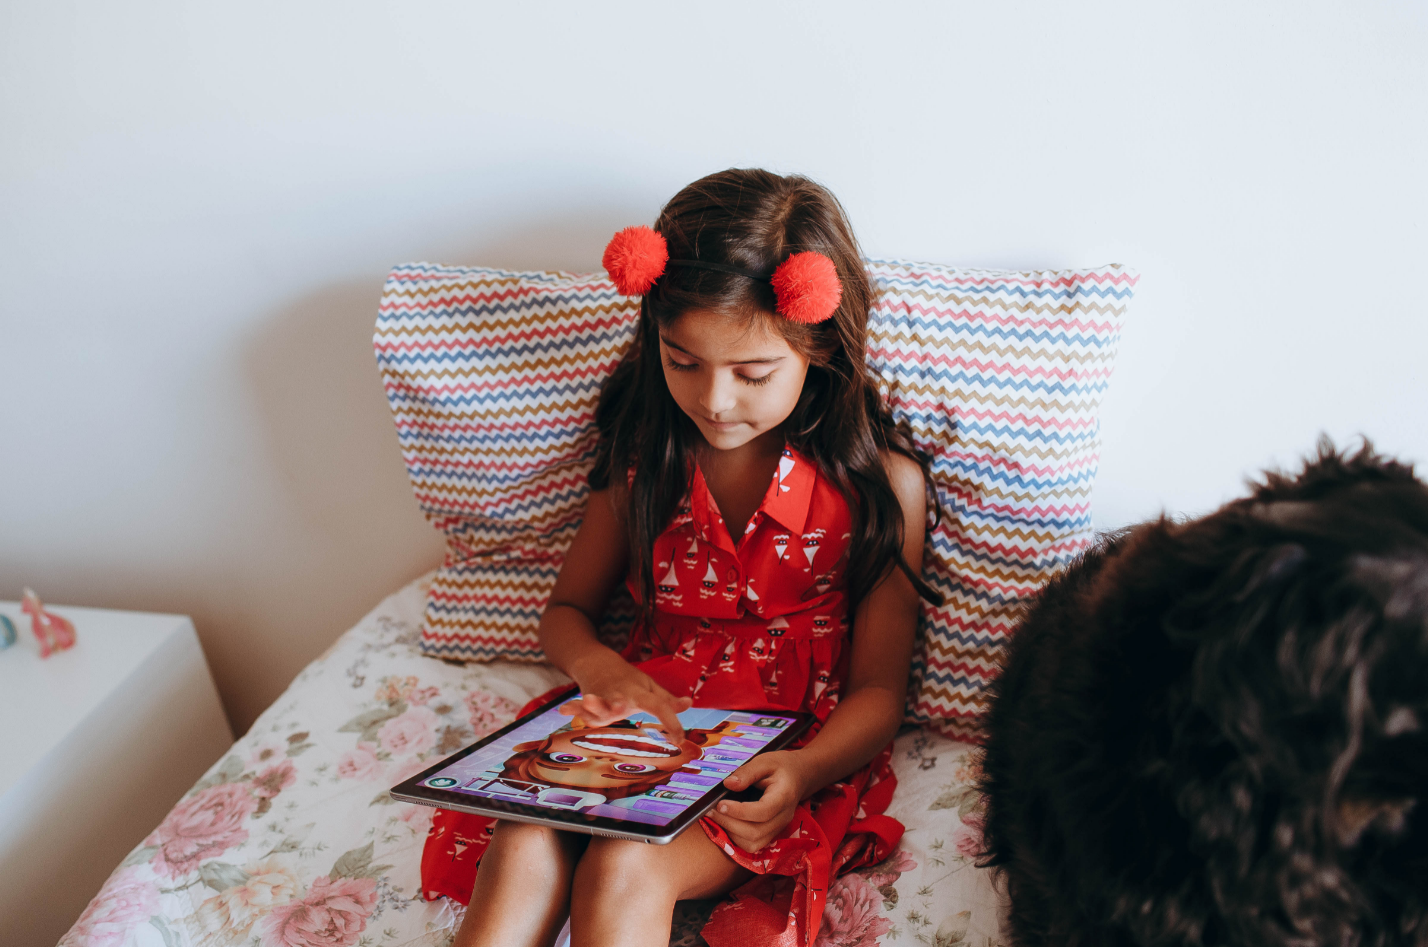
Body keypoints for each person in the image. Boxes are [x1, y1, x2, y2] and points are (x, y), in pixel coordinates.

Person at [436, 168, 940, 947]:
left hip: (776, 754)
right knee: (525, 839)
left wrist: (803, 773)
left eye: (753, 373)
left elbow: (879, 691)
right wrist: (602, 670)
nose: (714, 400)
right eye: (683, 362)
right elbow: (566, 611)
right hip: (633, 721)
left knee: (622, 866)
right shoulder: (643, 460)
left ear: (819, 348)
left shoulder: (881, 489)